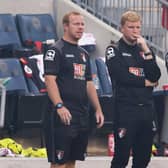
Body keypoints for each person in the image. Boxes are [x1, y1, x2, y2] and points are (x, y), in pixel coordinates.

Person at [43, 11, 104, 168]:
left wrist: (98, 108)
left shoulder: (83, 54)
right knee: (59, 162)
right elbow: (50, 80)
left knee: (72, 161)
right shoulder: (56, 50)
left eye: (82, 24)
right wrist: (59, 106)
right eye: (76, 24)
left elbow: (89, 83)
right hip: (61, 114)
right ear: (65, 26)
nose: (80, 27)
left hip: (81, 115)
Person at [105, 11, 161, 168]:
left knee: (143, 158)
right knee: (121, 157)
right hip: (126, 110)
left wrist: (147, 51)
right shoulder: (113, 49)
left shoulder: (145, 50)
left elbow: (155, 76)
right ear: (122, 28)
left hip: (147, 110)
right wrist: (145, 83)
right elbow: (121, 76)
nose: (135, 31)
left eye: (138, 27)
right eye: (131, 27)